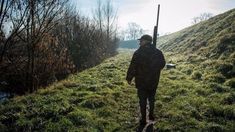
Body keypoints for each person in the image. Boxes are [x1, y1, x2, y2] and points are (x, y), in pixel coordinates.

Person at [126, 34, 165, 126]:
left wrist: (129, 78)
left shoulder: (138, 53)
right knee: (152, 98)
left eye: (141, 40)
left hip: (141, 81)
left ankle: (143, 119)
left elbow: (133, 67)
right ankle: (151, 115)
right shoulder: (158, 52)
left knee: (142, 100)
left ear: (146, 41)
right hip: (153, 80)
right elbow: (162, 64)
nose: (139, 42)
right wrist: (154, 70)